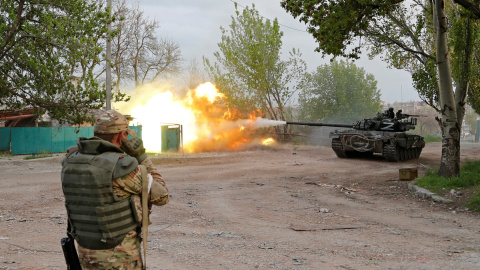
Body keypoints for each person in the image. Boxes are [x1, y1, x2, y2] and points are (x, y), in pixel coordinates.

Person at [61, 110, 169, 269]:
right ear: (121, 136)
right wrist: (141, 157)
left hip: (85, 252)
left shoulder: (71, 160)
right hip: (119, 256)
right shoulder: (122, 167)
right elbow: (162, 196)